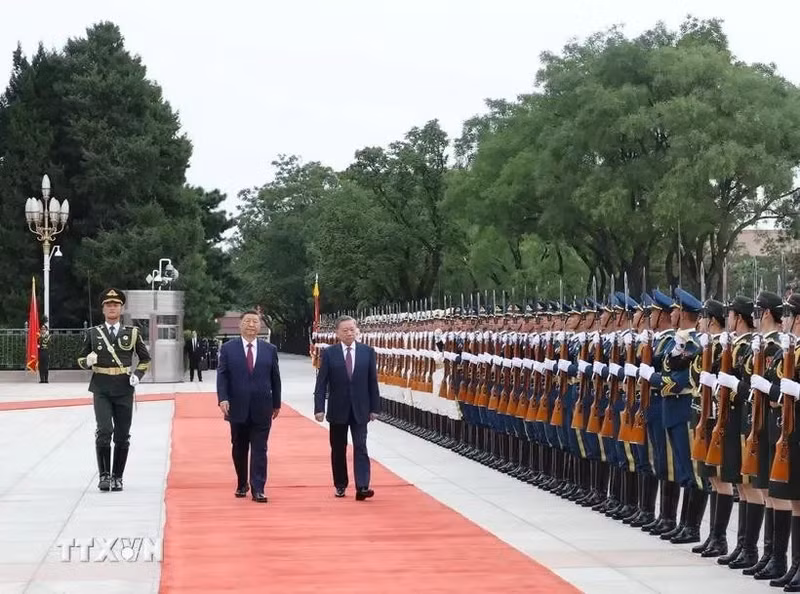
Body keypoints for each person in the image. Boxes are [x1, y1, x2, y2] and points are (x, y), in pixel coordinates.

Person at [77, 289, 151, 492]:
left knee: (121, 434)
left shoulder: (132, 333)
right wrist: (87, 362)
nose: (112, 308)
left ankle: (118, 476)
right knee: (104, 431)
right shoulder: (93, 333)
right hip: (101, 386)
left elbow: (145, 359)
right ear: (103, 309)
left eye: (116, 305)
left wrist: (138, 374)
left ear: (121, 308)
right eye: (108, 305)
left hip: (124, 388)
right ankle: (104, 475)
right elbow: (80, 359)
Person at [216, 310, 281, 503]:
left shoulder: (270, 349)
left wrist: (276, 403)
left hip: (263, 407)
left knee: (260, 449)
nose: (251, 324)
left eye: (255, 321)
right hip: (237, 406)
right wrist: (223, 398)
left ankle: (258, 488)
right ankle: (242, 482)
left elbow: (275, 378)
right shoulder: (228, 348)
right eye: (248, 321)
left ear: (260, 326)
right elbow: (223, 375)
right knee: (239, 447)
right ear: (240, 324)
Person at [313, 315, 380, 500]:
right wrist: (319, 407)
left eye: (352, 329)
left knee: (361, 446)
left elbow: (372, 382)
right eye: (345, 330)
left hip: (361, 409)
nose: (349, 333)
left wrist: (375, 407)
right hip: (338, 409)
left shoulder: (367, 352)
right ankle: (341, 484)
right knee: (338, 448)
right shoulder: (329, 353)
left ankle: (363, 486)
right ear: (337, 333)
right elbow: (321, 383)